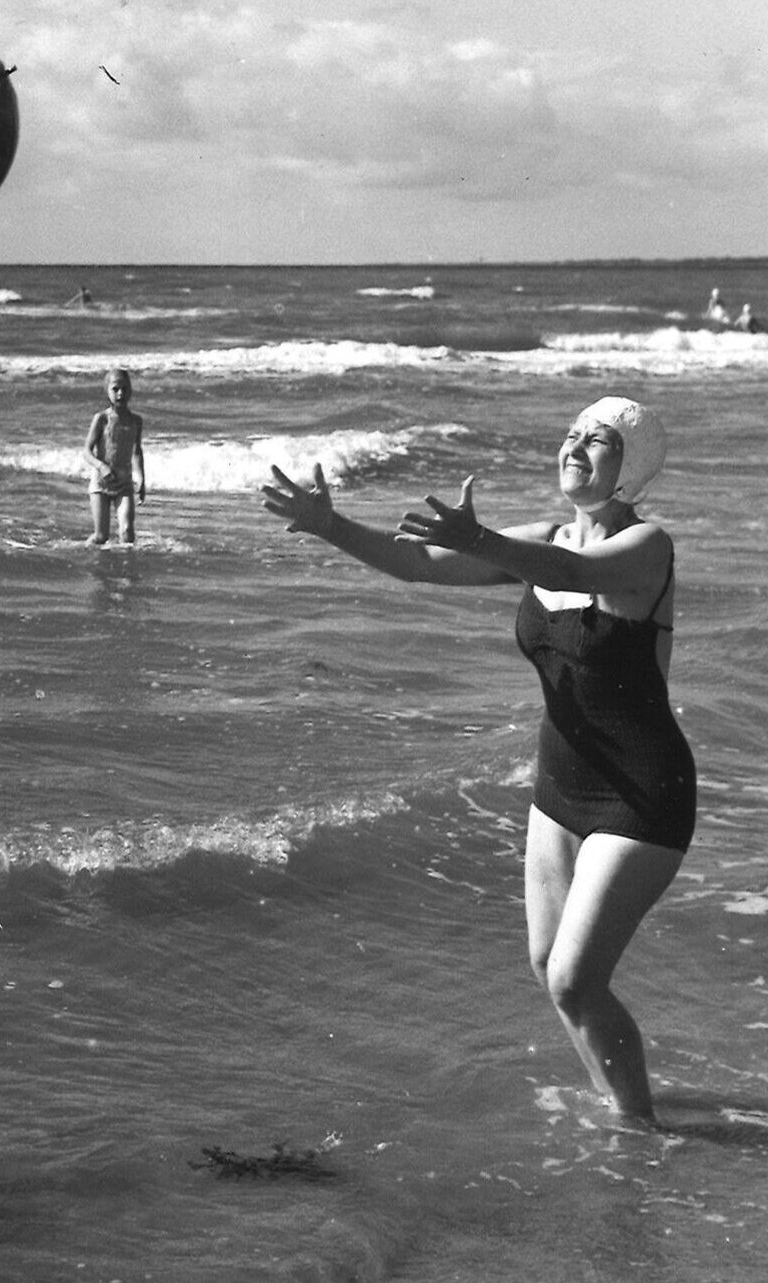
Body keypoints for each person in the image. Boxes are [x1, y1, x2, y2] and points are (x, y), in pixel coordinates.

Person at [260, 396, 694, 1123]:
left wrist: (484, 536)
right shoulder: (542, 538)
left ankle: (640, 1136)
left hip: (643, 797)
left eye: (600, 440)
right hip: (561, 786)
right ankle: (620, 1108)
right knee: (546, 964)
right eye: (571, 431)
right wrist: (331, 525)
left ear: (632, 470)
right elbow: (420, 562)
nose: (576, 444)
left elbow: (568, 568)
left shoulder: (647, 548)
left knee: (573, 979)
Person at [84, 367, 146, 545]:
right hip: (101, 483)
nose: (121, 393)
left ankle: (125, 570)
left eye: (125, 389)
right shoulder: (102, 418)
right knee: (101, 537)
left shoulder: (136, 421)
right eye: (115, 389)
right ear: (107, 392)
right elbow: (86, 452)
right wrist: (101, 467)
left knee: (127, 533)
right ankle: (84, 557)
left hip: (124, 484)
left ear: (131, 391)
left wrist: (141, 479)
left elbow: (136, 452)